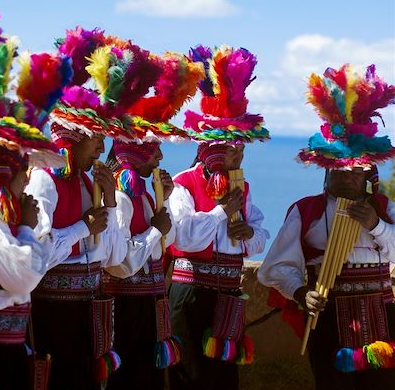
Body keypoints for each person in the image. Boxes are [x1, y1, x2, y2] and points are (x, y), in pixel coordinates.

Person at [24, 28, 156, 389]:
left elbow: (112, 258)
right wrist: (83, 227)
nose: (101, 151)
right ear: (73, 142)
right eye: (96, 141)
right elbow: (34, 255)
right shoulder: (43, 181)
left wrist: (110, 204)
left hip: (88, 314)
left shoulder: (89, 183)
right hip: (54, 315)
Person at [258, 64, 395, 390]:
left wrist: (376, 226)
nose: (347, 176)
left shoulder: (384, 208)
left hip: (383, 319)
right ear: (326, 170)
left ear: (367, 174)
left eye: (355, 171)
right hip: (329, 320)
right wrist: (300, 292)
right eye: (339, 170)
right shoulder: (307, 211)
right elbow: (274, 267)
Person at [0, 40, 72, 389]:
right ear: (6, 173)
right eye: (24, 171)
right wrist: (27, 229)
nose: (27, 181)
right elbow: (25, 276)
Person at [167, 45, 270, 390]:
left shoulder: (244, 187)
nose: (239, 154)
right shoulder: (184, 182)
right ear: (213, 149)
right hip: (191, 294)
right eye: (233, 148)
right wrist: (221, 213)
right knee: (190, 378)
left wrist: (244, 231)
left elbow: (259, 238)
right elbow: (184, 237)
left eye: (240, 148)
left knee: (225, 381)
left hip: (227, 297)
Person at [103, 52, 205, 389]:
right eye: (153, 148)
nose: (160, 155)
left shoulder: (145, 195)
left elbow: (164, 243)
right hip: (125, 310)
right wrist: (154, 231)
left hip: (147, 307)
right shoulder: (119, 196)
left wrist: (165, 206)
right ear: (137, 152)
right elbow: (121, 264)